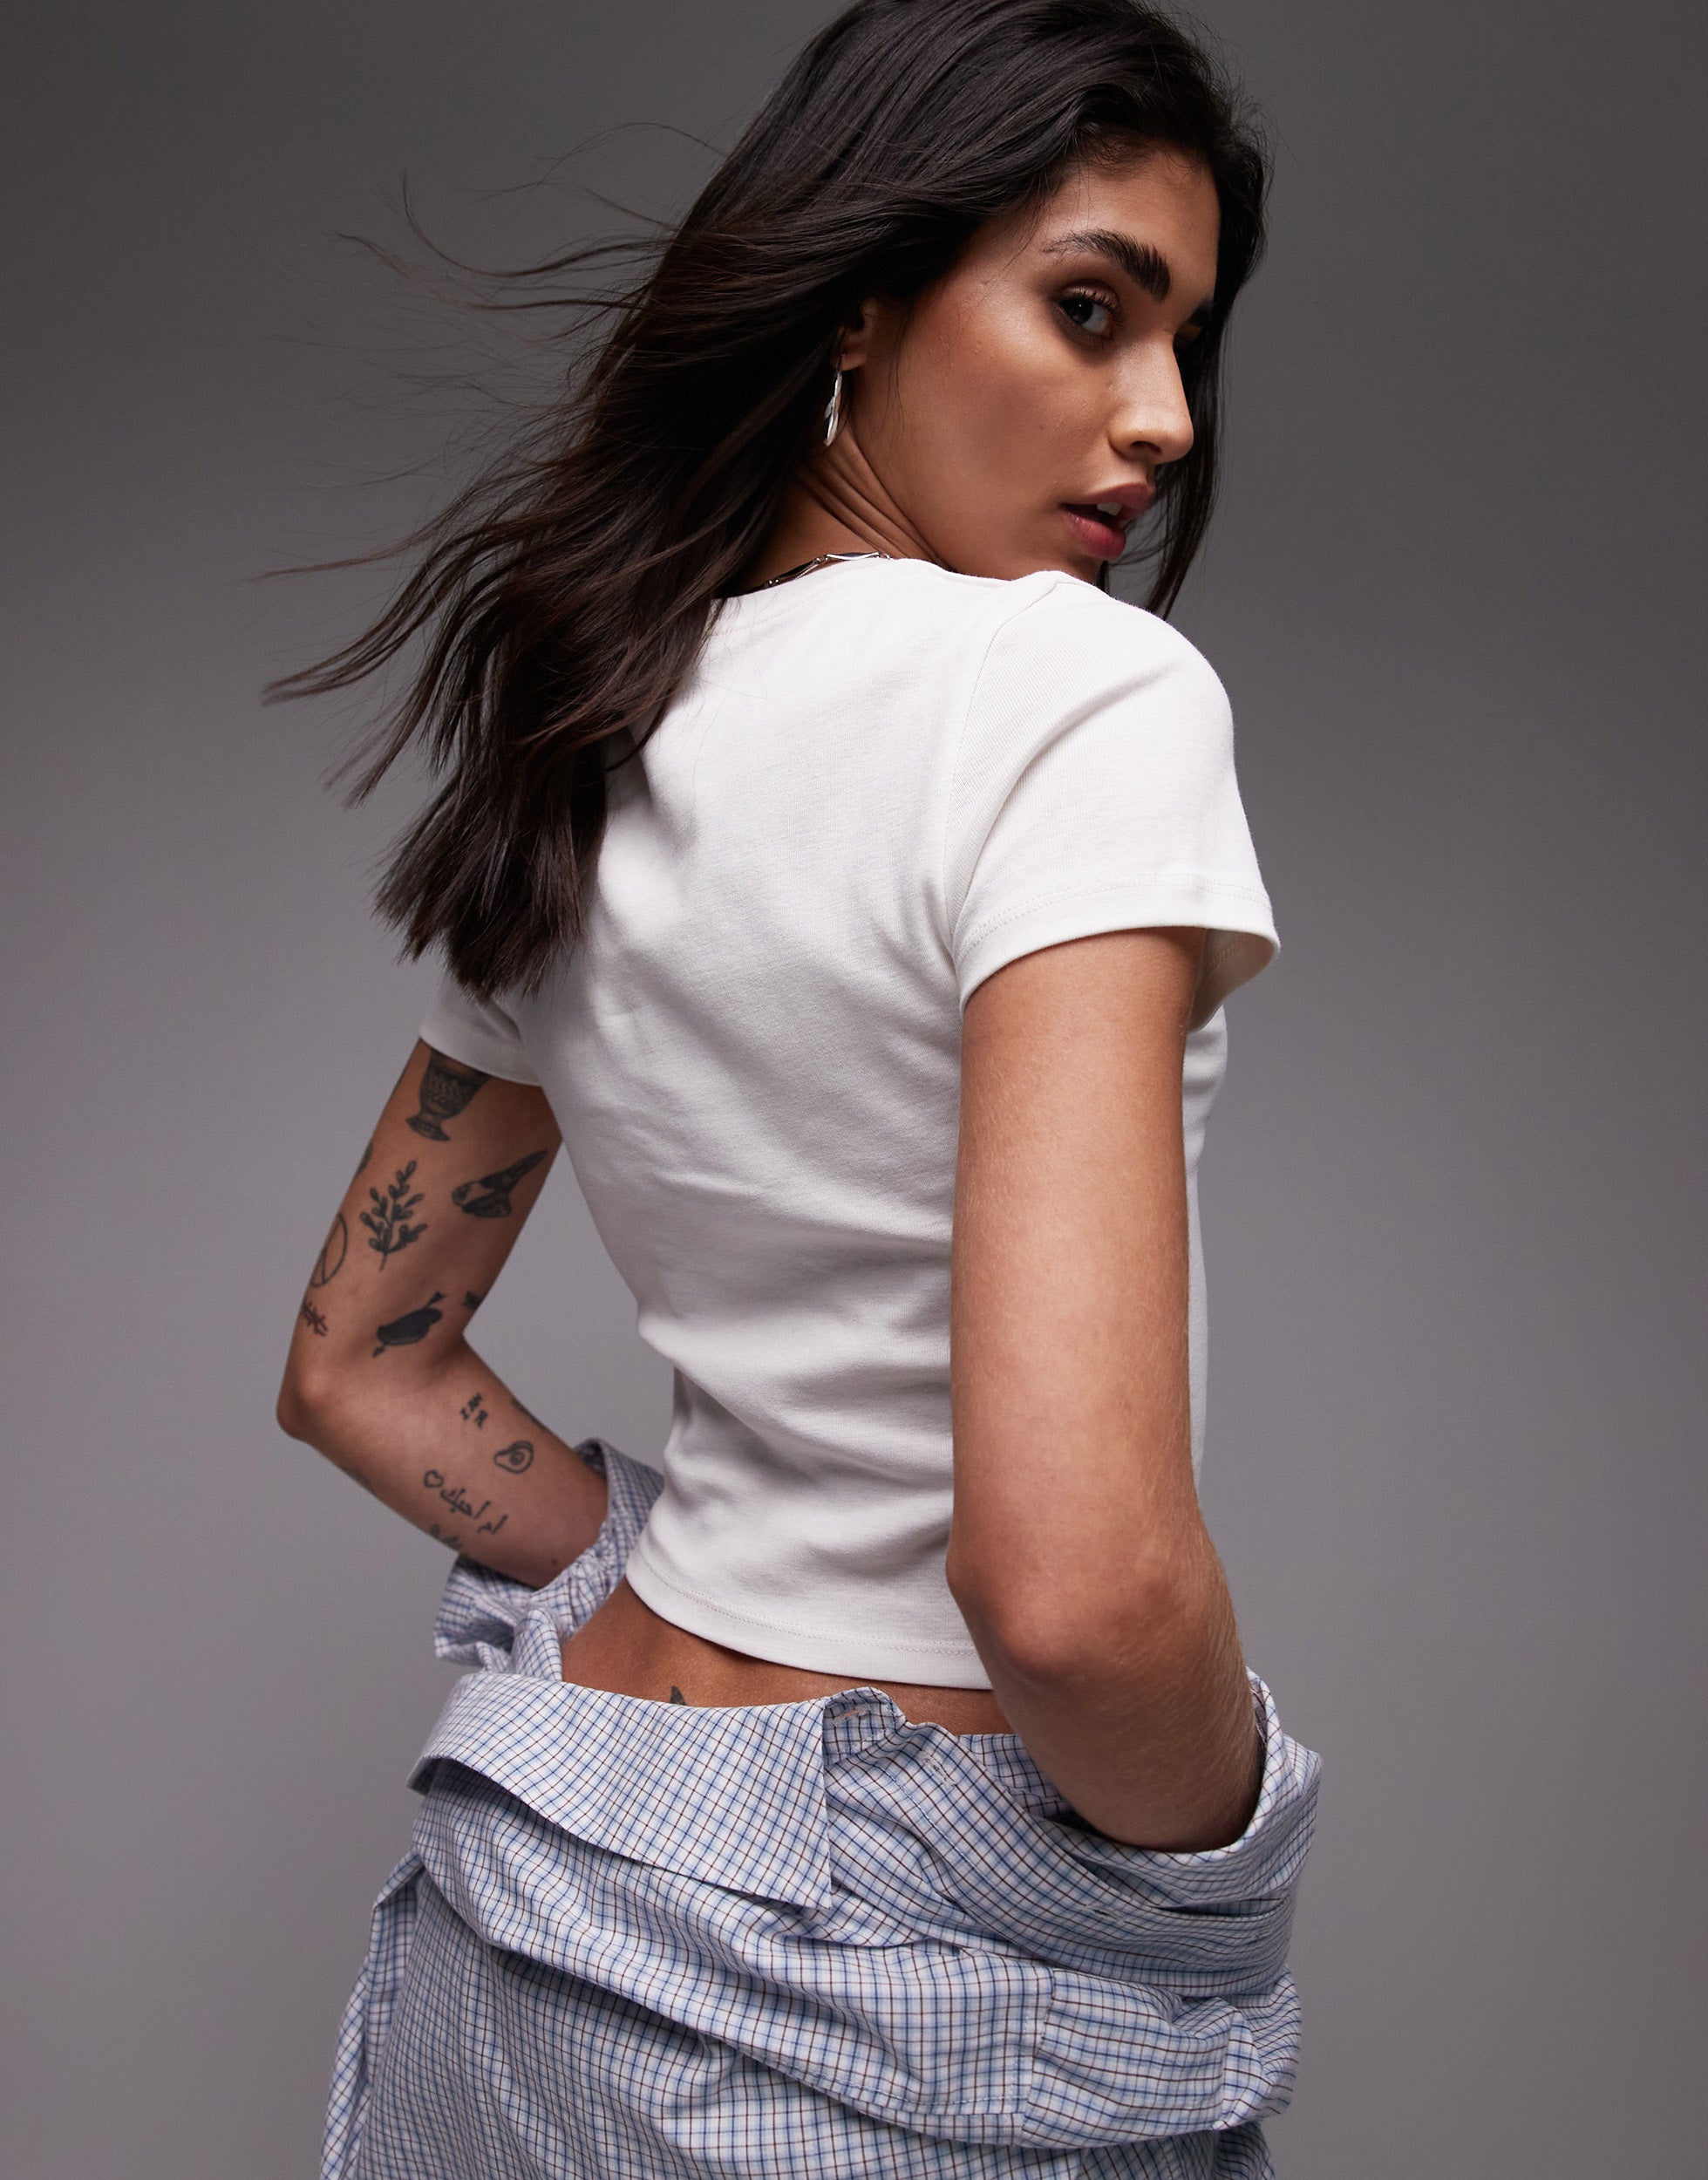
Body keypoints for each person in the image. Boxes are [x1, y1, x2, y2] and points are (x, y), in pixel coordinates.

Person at [275, 2, 1321, 2172]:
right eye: (1089, 307)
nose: (1160, 419)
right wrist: (1217, 1855)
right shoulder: (1075, 694)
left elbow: (361, 1361)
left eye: (1184, 343)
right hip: (890, 1984)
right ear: (856, 295)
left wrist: (692, 1601)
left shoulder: (589, 734)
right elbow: (1075, 1592)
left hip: (539, 1888)